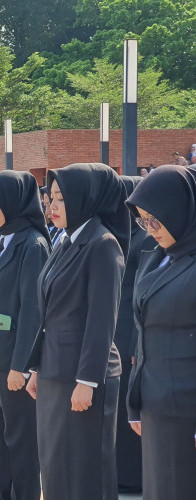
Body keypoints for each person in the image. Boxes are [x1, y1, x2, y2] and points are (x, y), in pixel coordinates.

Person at [26, 163, 128, 500]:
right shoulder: (65, 240)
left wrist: (87, 381)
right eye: (50, 198)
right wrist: (37, 367)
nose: (51, 206)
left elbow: (101, 320)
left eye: (60, 198)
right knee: (56, 467)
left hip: (82, 378)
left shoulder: (102, 245)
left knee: (84, 471)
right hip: (55, 371)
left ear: (84, 199)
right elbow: (49, 315)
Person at [0, 171, 49, 500]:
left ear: (14, 202)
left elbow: (33, 312)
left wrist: (22, 365)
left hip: (12, 364)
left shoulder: (33, 245)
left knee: (20, 441)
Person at [125, 165, 196, 500]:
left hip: (186, 409)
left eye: (155, 219)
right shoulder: (156, 258)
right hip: (155, 404)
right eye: (142, 220)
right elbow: (143, 333)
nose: (149, 229)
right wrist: (135, 402)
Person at [113, 176, 153, 494]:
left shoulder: (145, 239)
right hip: (114, 334)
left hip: (130, 336)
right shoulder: (123, 235)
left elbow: (138, 298)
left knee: (130, 411)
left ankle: (132, 476)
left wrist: (132, 344)